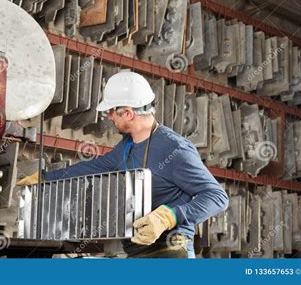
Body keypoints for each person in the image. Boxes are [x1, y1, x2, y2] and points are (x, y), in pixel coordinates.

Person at [20, 71, 229, 258]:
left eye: (112, 111)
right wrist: (46, 178)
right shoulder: (127, 146)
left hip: (171, 252)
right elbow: (96, 167)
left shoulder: (175, 149)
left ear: (128, 113)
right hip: (138, 252)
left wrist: (170, 216)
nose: (109, 117)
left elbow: (217, 197)